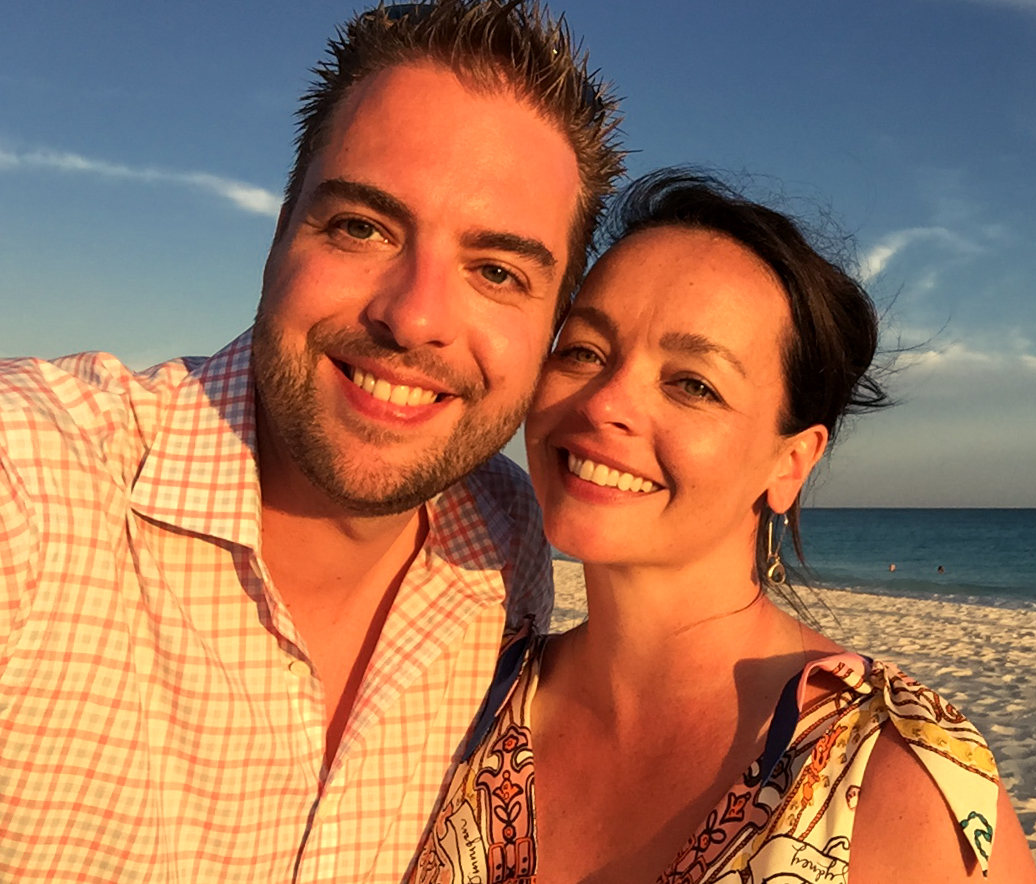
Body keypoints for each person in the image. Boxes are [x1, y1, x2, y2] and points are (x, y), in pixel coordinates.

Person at [0, 2, 623, 880]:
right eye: (363, 227)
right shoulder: (36, 477)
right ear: (279, 235)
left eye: (496, 272)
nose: (413, 318)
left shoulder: (505, 547)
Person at [410, 171, 1036, 883]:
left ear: (790, 462)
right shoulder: (467, 699)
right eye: (583, 351)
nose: (605, 404)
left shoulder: (893, 784)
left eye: (692, 384)